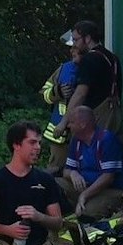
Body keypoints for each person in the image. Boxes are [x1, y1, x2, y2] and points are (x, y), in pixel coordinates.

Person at [60, 103, 123, 222]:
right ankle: (66, 215)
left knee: (87, 213)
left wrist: (84, 195)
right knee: (55, 184)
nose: (68, 126)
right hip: (85, 187)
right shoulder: (76, 140)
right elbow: (66, 170)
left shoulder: (106, 139)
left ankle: (82, 212)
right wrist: (73, 173)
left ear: (83, 124)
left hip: (109, 190)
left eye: (71, 122)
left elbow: (108, 177)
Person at [67, 20, 123, 139]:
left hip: (95, 118)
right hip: (115, 114)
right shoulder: (112, 58)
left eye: (76, 40)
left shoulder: (89, 60)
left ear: (87, 38)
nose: (74, 45)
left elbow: (80, 94)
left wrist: (64, 122)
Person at [40, 31, 80, 175]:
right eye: (71, 47)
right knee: (54, 173)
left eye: (75, 47)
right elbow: (44, 92)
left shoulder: (92, 68)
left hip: (82, 132)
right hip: (59, 136)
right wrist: (58, 92)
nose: (71, 50)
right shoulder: (64, 69)